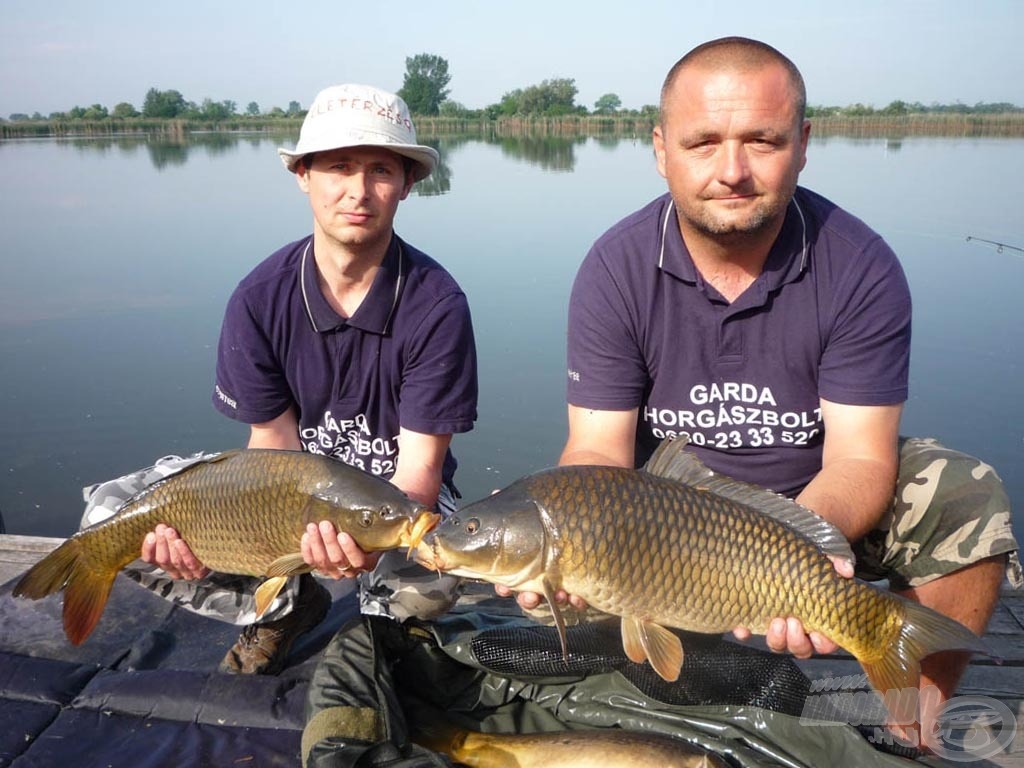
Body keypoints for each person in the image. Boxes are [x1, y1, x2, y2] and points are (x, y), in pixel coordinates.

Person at [517, 37, 1019, 752]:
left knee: (964, 493)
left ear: (804, 144)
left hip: (814, 509)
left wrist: (793, 560)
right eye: (703, 142)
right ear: (661, 149)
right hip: (664, 523)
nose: (732, 170)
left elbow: (860, 459)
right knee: (545, 577)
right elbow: (597, 447)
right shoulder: (615, 267)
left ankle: (915, 726)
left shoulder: (857, 264)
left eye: (762, 140)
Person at [101, 83, 478, 675]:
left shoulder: (436, 304)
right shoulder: (258, 298)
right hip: (284, 494)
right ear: (304, 175)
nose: (358, 190)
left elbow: (420, 476)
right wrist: (209, 545)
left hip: (388, 500)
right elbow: (271, 450)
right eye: (339, 167)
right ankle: (283, 608)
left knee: (428, 586)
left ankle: (381, 631)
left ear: (407, 184)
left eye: (381, 170)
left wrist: (353, 549)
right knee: (108, 521)